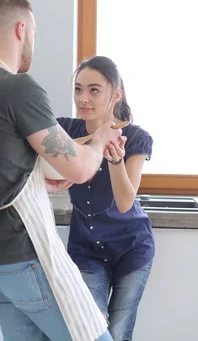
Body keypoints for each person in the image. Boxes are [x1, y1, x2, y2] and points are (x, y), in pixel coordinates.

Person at [0, 0, 122, 341]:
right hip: (28, 256)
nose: (33, 41)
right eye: (33, 33)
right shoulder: (18, 89)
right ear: (21, 29)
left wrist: (35, 179)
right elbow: (80, 169)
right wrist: (99, 141)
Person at [57, 56, 155, 341]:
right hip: (86, 247)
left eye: (94, 90)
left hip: (131, 248)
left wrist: (115, 161)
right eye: (78, 89)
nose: (83, 99)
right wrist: (96, 139)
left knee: (118, 331)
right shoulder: (64, 130)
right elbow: (41, 154)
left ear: (116, 95)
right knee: (90, 328)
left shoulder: (136, 138)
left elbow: (125, 202)